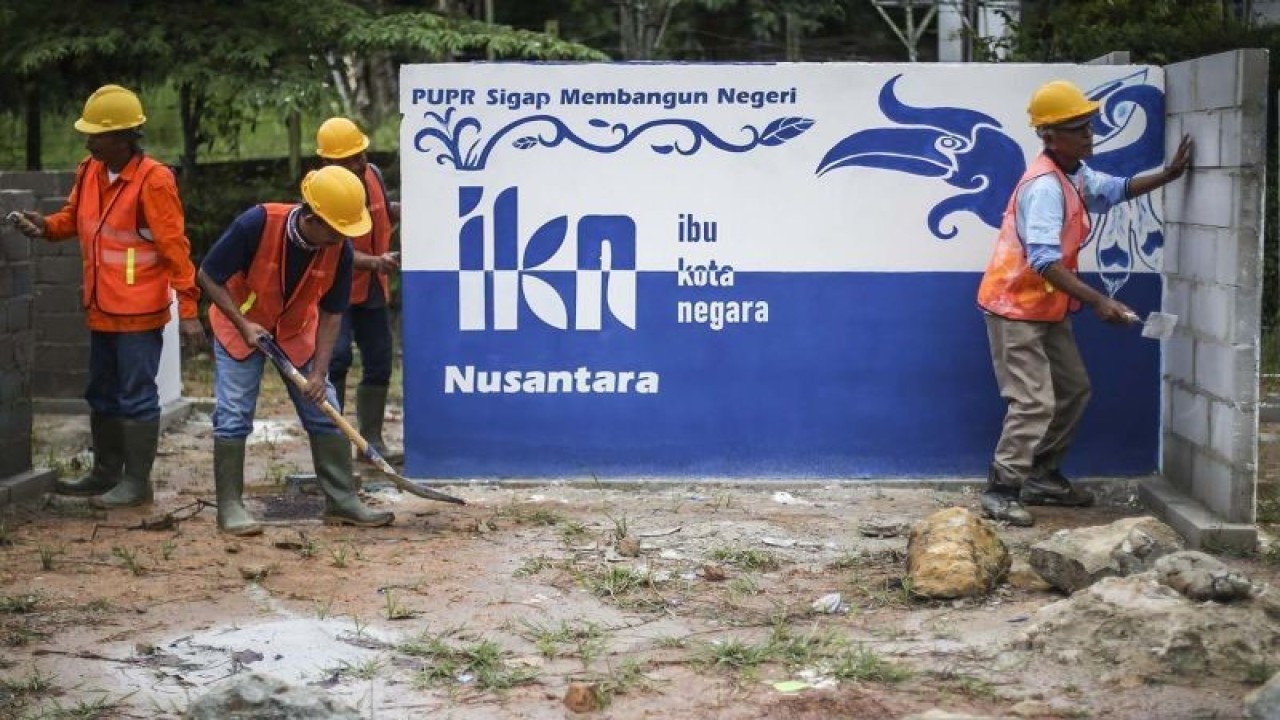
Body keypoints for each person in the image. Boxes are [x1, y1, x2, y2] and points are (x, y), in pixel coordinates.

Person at [975, 79, 1193, 527]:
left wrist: (1168, 176)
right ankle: (1002, 489)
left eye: (1089, 127)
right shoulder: (1044, 186)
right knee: (1033, 401)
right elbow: (1043, 262)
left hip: (1046, 306)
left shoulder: (1074, 171)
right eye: (1079, 129)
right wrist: (1099, 301)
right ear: (1050, 136)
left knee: (1074, 389)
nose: (1089, 136)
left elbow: (1112, 190)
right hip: (1015, 306)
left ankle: (1043, 474)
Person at [13, 84, 204, 509]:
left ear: (123, 137)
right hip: (101, 309)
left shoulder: (154, 182)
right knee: (101, 393)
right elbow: (73, 220)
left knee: (136, 395)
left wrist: (189, 311)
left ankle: (137, 484)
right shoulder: (90, 171)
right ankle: (105, 474)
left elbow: (176, 249)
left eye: (96, 135)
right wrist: (43, 225)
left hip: (139, 313)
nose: (87, 141)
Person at [197, 165, 394, 535]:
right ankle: (230, 507)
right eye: (336, 229)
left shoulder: (340, 250)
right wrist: (244, 325)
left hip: (294, 331)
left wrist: (319, 373)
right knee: (234, 414)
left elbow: (333, 314)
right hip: (240, 326)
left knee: (325, 409)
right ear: (313, 217)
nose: (341, 238)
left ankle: (342, 501)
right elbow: (207, 274)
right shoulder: (257, 223)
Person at [314, 117, 402, 462]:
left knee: (379, 360)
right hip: (333, 291)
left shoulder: (374, 175)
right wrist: (374, 260)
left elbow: (382, 211)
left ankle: (372, 441)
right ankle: (332, 445)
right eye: (348, 159)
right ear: (327, 163)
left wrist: (412, 211)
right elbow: (335, 247)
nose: (358, 164)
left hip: (373, 289)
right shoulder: (321, 191)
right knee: (335, 360)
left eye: (360, 155)